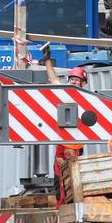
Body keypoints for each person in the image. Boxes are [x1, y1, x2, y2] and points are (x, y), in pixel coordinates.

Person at [42, 49, 89, 206]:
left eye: (77, 80)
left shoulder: (88, 99)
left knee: (73, 181)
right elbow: (54, 80)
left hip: (75, 147)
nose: (74, 82)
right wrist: (48, 61)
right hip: (62, 145)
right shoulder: (64, 94)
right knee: (60, 180)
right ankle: (62, 212)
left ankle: (71, 211)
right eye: (72, 79)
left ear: (83, 83)